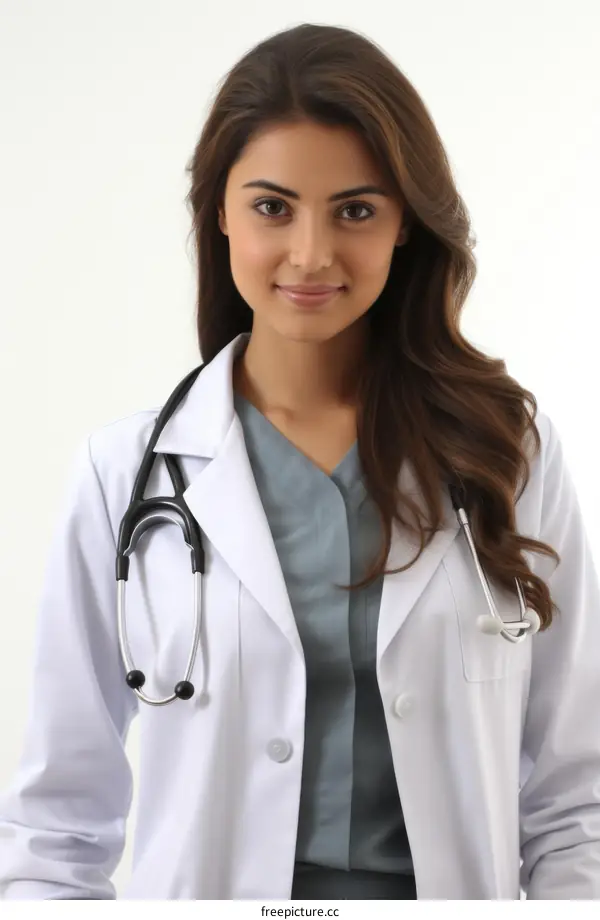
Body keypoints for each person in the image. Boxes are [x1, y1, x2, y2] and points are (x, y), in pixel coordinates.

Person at [1, 21, 599, 901]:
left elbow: (573, 799)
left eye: (355, 209)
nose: (311, 254)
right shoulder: (122, 472)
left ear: (405, 225)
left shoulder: (504, 456)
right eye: (272, 207)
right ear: (220, 214)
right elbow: (57, 824)